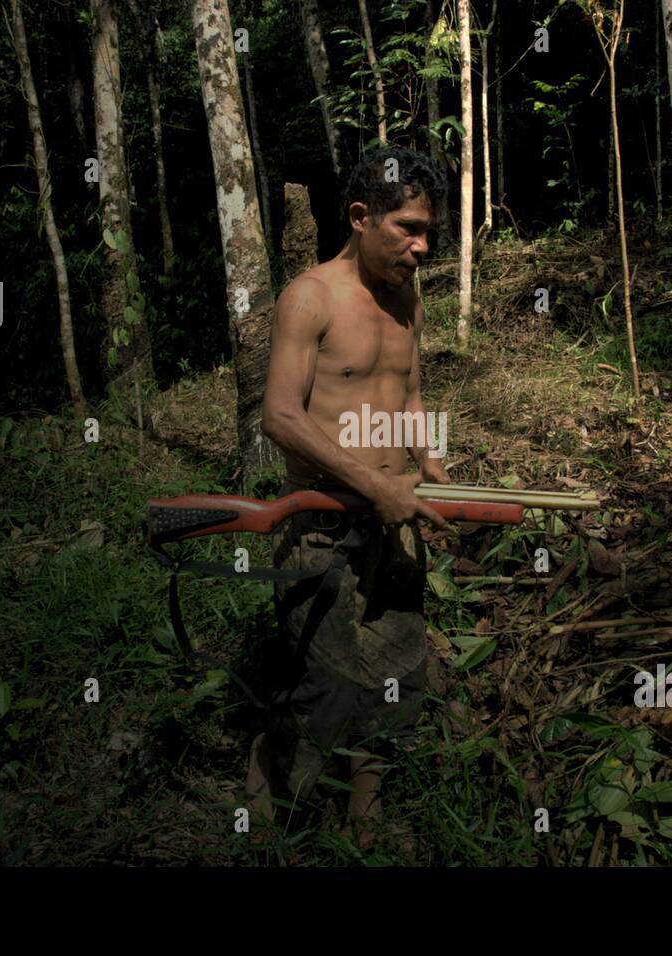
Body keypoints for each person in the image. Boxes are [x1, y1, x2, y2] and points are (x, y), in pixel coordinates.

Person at [249, 145, 451, 843]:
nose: (423, 246)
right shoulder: (310, 297)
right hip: (320, 525)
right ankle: (288, 805)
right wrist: (369, 482)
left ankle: (365, 812)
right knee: (325, 683)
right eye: (410, 228)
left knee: (396, 665)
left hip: (394, 523)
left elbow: (411, 395)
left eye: (431, 232)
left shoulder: (407, 298)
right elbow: (280, 416)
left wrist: (434, 466)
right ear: (362, 218)